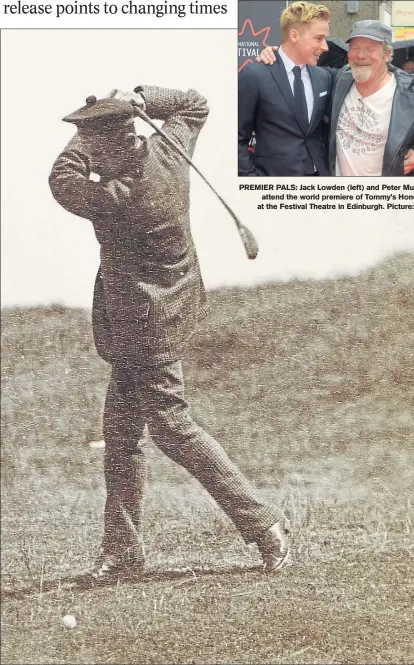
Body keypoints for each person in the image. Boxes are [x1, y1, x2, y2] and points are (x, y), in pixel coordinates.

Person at [49, 86, 290, 581]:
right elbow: (195, 103)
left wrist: (83, 141)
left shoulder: (122, 195)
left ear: (108, 146)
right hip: (160, 308)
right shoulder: (167, 148)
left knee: (172, 427)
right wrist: (140, 95)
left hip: (146, 319)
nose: (87, 153)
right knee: (120, 435)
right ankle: (124, 551)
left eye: (92, 143)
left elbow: (61, 180)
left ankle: (263, 524)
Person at [257, 20, 414, 177]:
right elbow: (295, 62)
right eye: (354, 48)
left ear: (387, 54)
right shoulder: (337, 81)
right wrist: (277, 55)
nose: (360, 55)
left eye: (369, 50)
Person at [238, 1, 332, 177]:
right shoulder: (255, 75)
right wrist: (252, 180)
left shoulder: (323, 77)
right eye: (318, 38)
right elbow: (236, 137)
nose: (325, 46)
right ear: (294, 36)